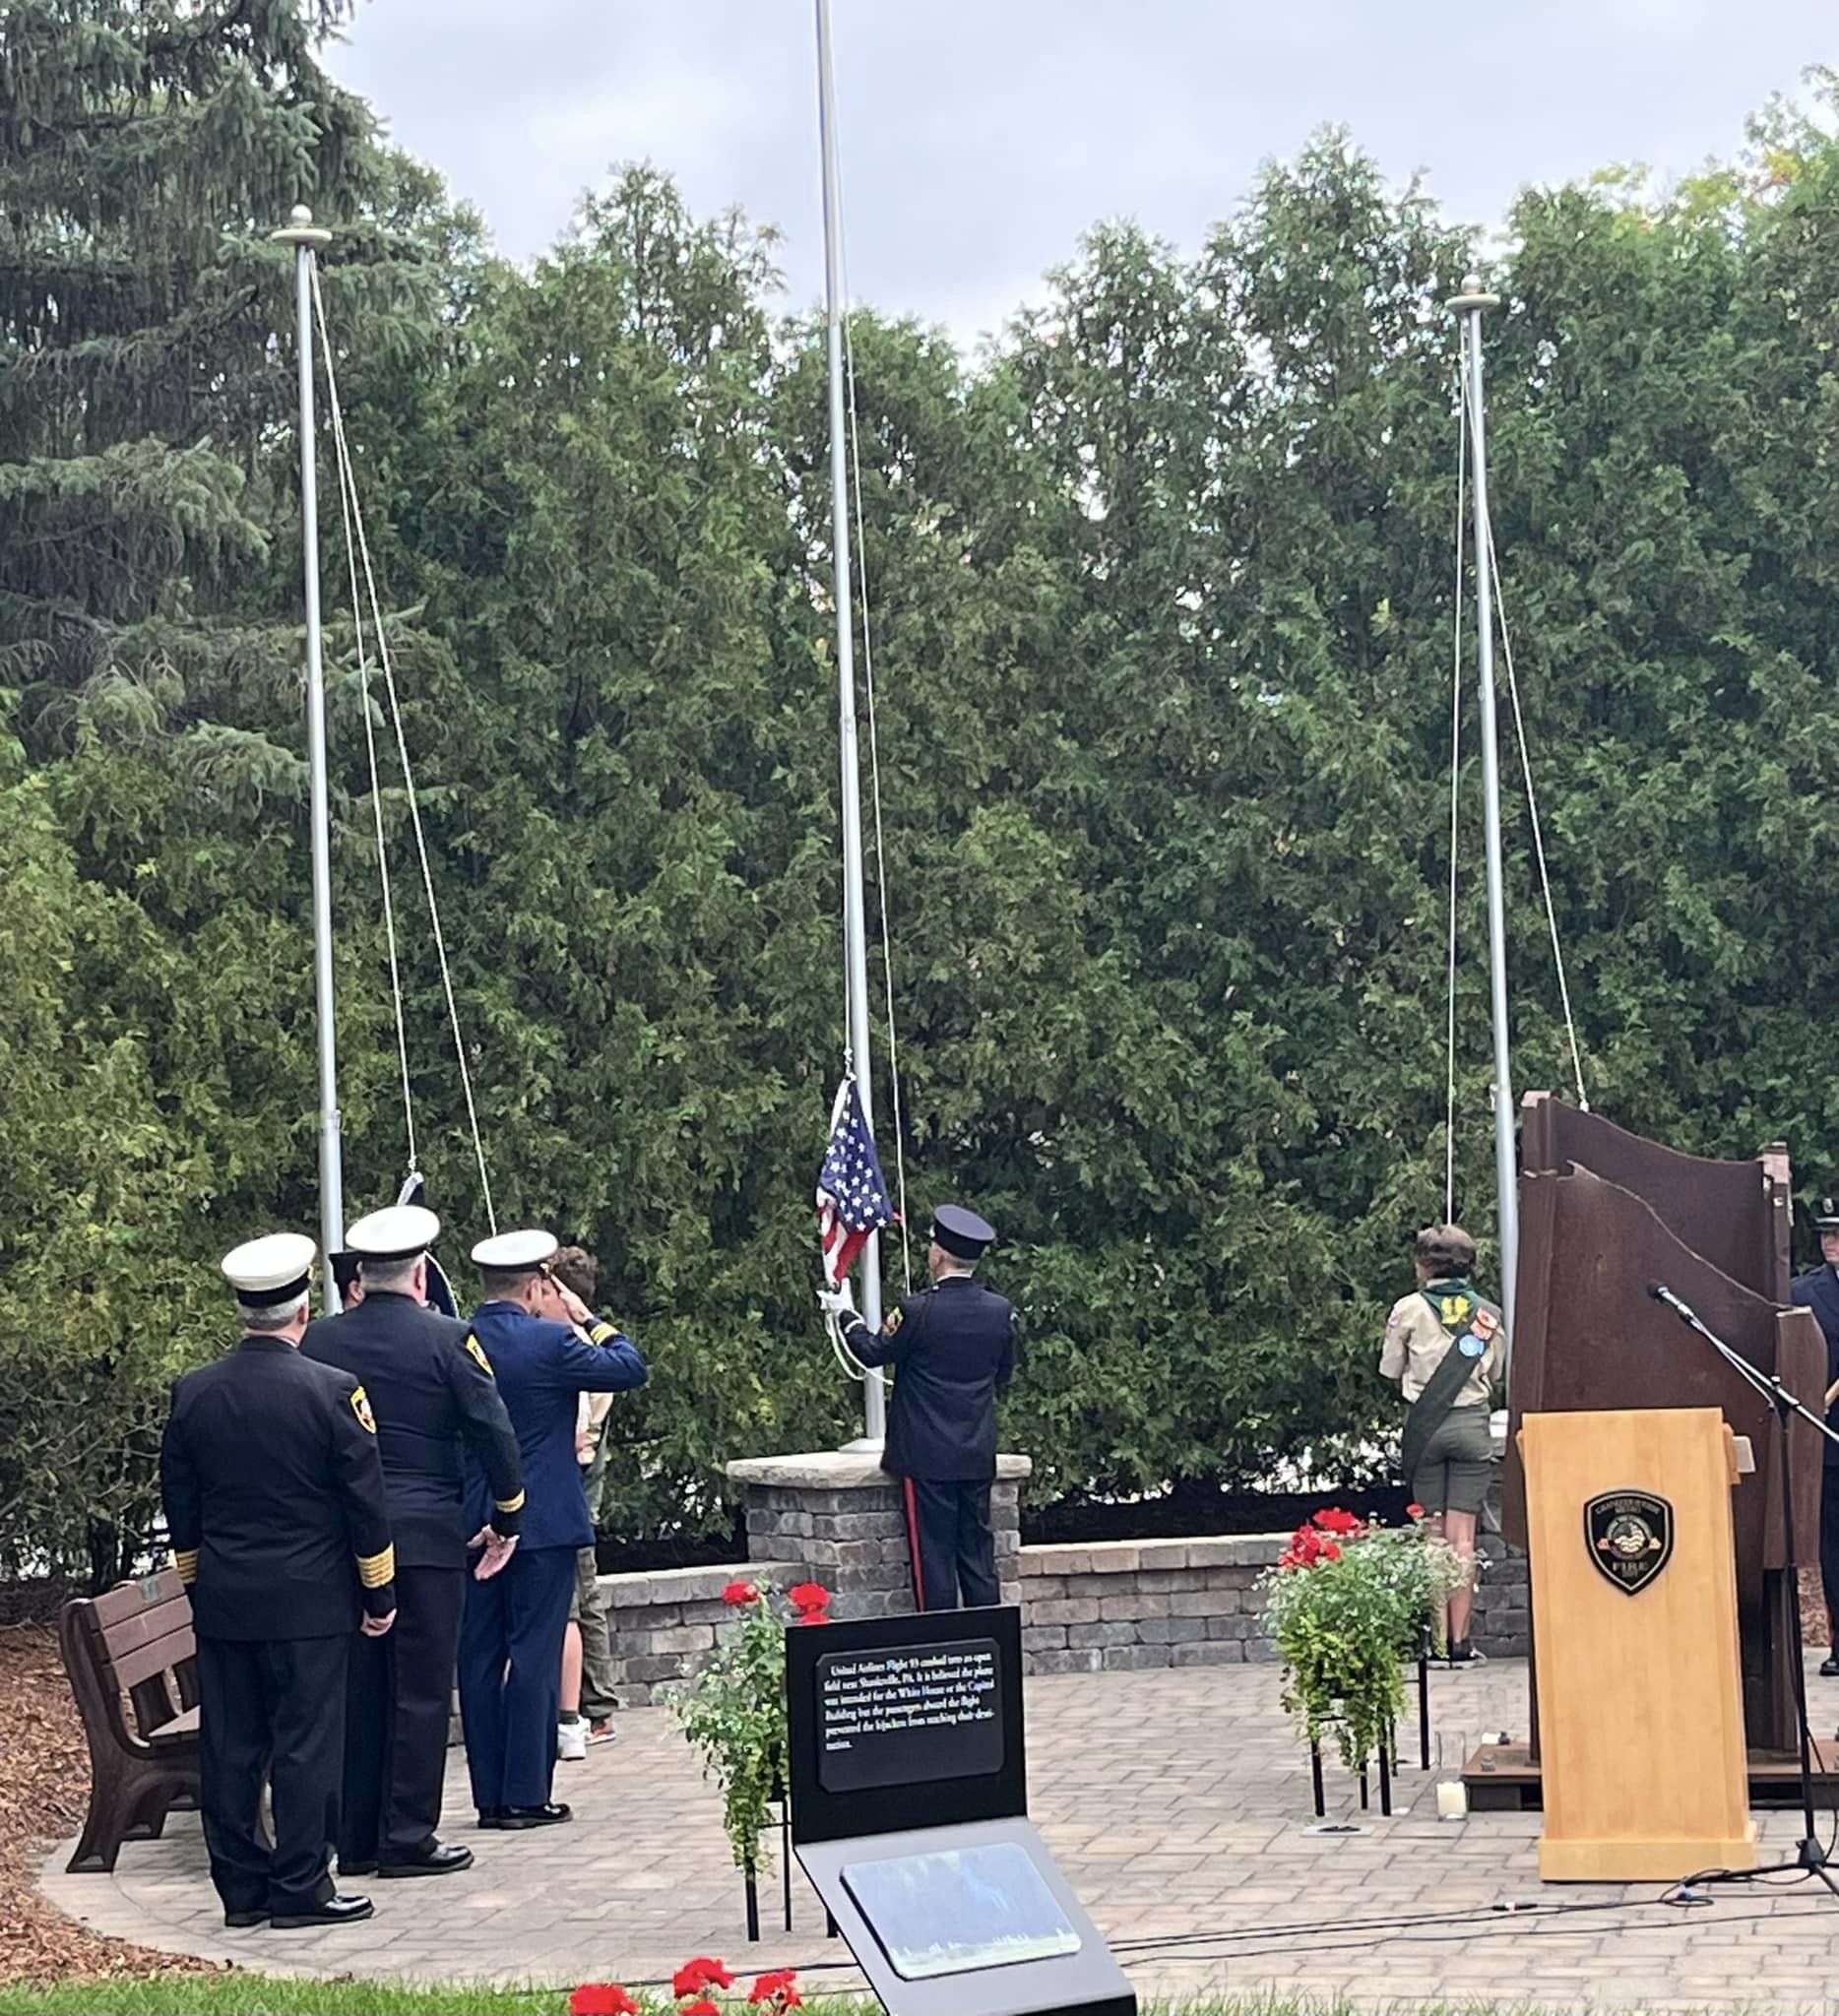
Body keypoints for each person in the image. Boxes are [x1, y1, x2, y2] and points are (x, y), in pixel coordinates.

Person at [159, 1232, 396, 1930]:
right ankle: (300, 1885)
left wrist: (201, 1585)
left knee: (231, 1747)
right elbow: (365, 1502)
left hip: (227, 1600)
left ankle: (241, 1891)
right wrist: (377, 1591)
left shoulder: (194, 1392)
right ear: (302, 1315)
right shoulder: (332, 1392)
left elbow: (181, 1505)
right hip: (311, 1602)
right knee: (306, 1744)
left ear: (244, 1312)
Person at [301, 1203, 525, 1878]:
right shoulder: (449, 1340)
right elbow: (493, 1432)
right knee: (422, 1689)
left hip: (345, 1542)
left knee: (359, 1689)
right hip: (427, 1538)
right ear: (421, 1273)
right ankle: (407, 1837)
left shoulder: (319, 1344)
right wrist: (509, 1518)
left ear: (362, 1276)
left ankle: (359, 1838)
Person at [458, 1228, 648, 1829]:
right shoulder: (552, 1342)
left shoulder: (455, 1341)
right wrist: (586, 1315)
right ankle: (525, 1794)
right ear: (539, 1284)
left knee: (480, 1656)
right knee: (535, 1655)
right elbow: (628, 1365)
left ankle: (489, 1796)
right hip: (544, 1523)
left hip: (475, 1523)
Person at [820, 1204, 1017, 1611]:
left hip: (926, 1458)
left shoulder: (918, 1310)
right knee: (979, 1559)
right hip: (975, 1453)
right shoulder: (999, 1312)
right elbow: (1003, 1375)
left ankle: (941, 1650)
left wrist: (846, 1315)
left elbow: (874, 1352)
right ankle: (991, 1647)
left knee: (934, 1560)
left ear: (939, 1255)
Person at [1380, 1224, 1506, 1668]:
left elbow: (1390, 1368)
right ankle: (1461, 1643)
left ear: (1422, 1265)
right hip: (1472, 1427)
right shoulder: (1486, 1313)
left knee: (1432, 1538)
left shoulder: (1408, 1309)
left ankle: (1434, 1646)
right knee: (1463, 1540)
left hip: (1427, 1428)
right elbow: (1495, 1375)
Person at [551, 1243, 620, 1762]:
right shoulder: (587, 1342)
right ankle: (597, 1709)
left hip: (571, 1484)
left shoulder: (570, 1345)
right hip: (583, 1485)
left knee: (577, 1602)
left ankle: (590, 1709)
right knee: (586, 1597)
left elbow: (578, 1434)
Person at [1791, 1197, 1839, 1678]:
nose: (1831, 1242)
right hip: (1831, 1439)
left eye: (1838, 1234)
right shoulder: (1804, 1293)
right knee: (1834, 1547)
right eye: (1826, 1233)